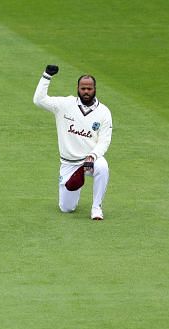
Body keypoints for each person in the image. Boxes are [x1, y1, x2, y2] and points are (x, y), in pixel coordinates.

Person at [33, 65, 113, 220]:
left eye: (89, 88)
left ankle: (96, 208)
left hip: (90, 160)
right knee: (66, 208)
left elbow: (105, 140)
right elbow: (38, 100)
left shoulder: (104, 112)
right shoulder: (64, 105)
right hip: (68, 164)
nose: (86, 92)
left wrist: (92, 156)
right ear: (78, 88)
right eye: (83, 88)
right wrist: (46, 76)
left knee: (102, 166)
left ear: (95, 89)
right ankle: (77, 179)